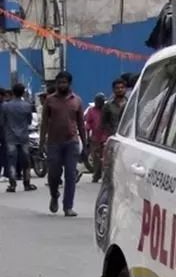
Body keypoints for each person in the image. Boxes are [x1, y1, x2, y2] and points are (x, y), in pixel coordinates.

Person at [40, 70, 87, 217]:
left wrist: (85, 145)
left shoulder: (77, 101)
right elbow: (44, 123)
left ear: (69, 83)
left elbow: (81, 124)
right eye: (59, 82)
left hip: (71, 142)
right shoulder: (49, 100)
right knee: (53, 174)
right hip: (54, 143)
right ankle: (54, 195)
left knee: (70, 175)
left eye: (64, 82)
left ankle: (68, 206)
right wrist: (41, 142)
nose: (61, 85)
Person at [1, 82, 36, 192]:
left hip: (10, 136)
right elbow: (29, 121)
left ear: (13, 92)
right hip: (24, 136)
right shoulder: (27, 105)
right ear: (23, 92)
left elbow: (2, 122)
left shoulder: (5, 106)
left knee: (11, 160)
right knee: (26, 160)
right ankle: (27, 183)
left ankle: (12, 184)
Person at [97, 77, 129, 180]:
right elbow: (103, 123)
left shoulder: (131, 104)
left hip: (128, 139)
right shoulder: (108, 106)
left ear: (125, 89)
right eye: (117, 88)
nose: (120, 90)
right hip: (113, 139)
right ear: (113, 90)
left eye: (122, 87)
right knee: (112, 165)